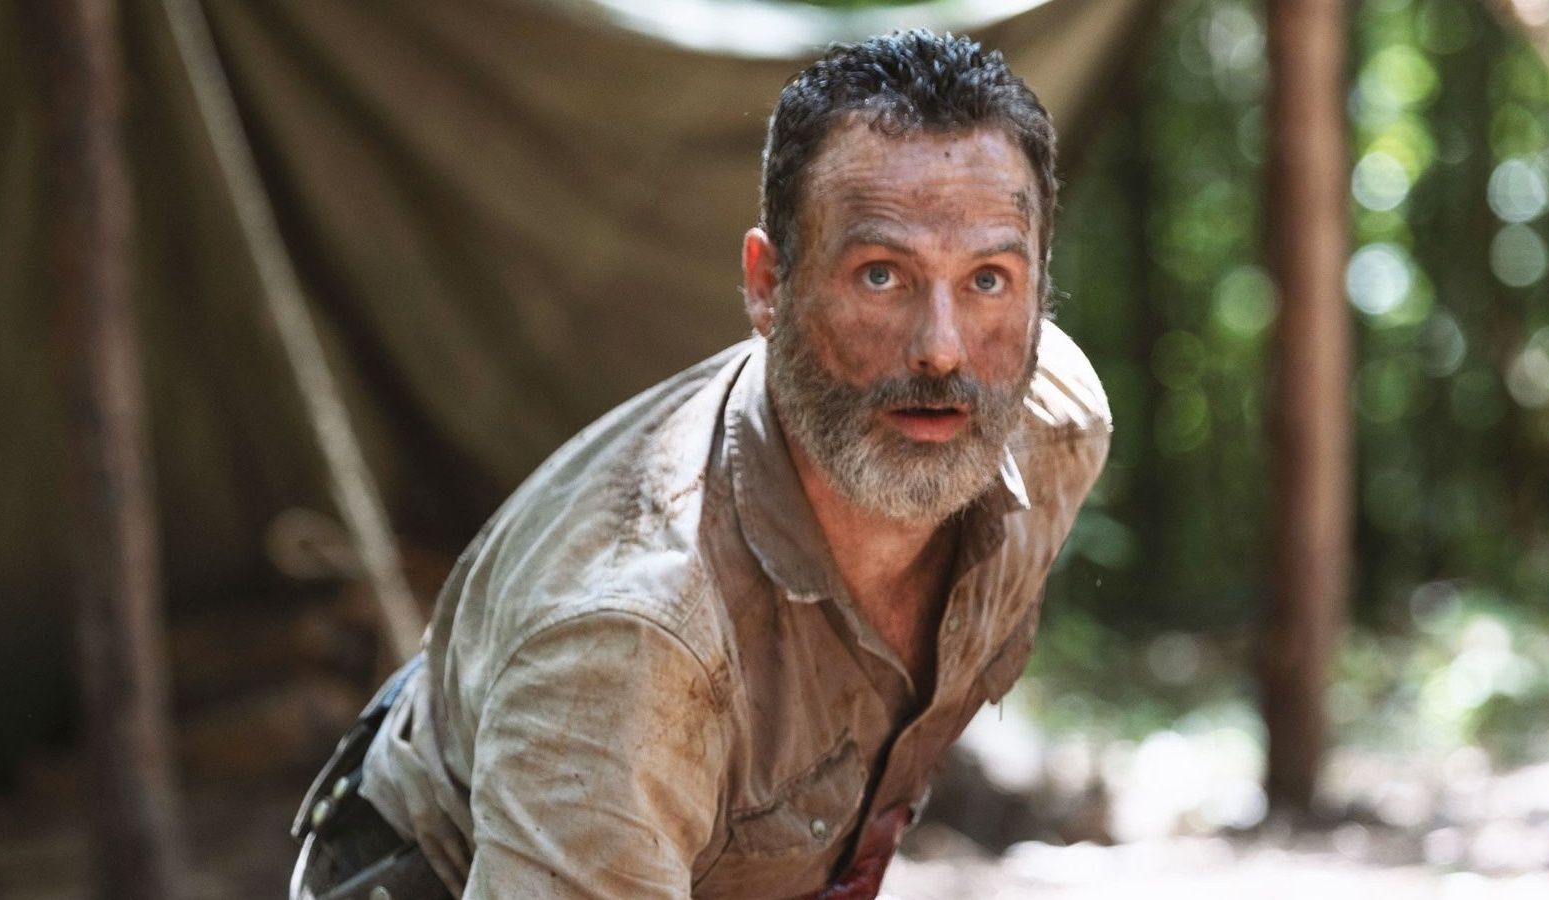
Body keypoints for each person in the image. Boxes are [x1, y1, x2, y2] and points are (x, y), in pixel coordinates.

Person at [290, 29, 1110, 900]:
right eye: (881, 275)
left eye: (988, 280)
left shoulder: (1053, 434)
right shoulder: (632, 646)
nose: (942, 349)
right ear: (767, 286)